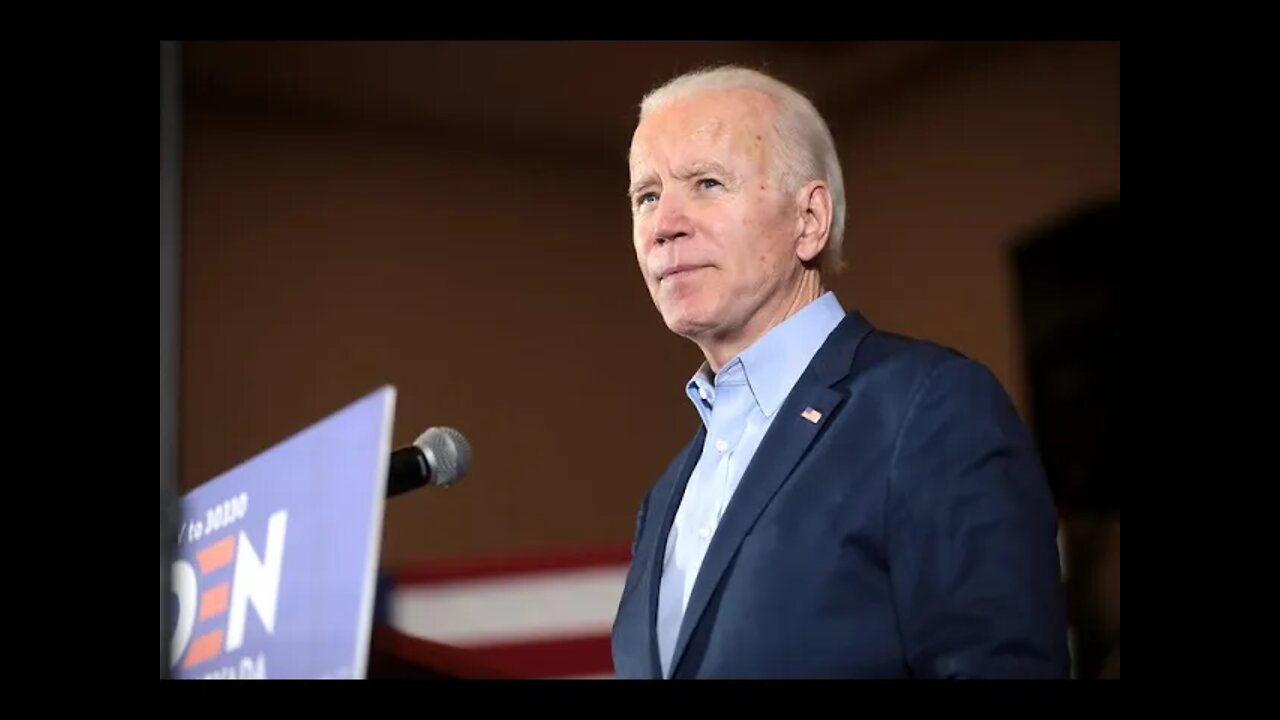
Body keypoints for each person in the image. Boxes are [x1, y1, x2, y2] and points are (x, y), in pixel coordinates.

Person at [610, 65, 1070, 679]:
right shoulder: (665, 496)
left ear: (810, 220)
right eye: (647, 196)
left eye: (708, 183)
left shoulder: (928, 409)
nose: (664, 225)